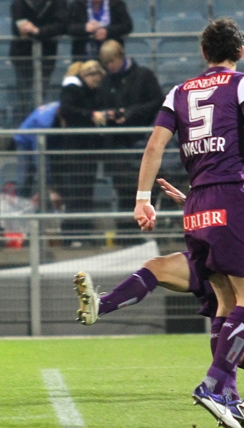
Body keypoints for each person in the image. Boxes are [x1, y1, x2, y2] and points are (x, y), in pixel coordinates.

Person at [133, 18, 244, 428]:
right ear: (240, 51)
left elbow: (155, 146)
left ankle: (229, 396)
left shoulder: (178, 92)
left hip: (195, 204)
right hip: (232, 195)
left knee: (227, 306)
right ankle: (213, 385)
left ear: (203, 54)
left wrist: (142, 200)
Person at [73, 174, 244, 405]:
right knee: (157, 268)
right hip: (211, 252)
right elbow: (222, 211)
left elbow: (240, 218)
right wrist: (189, 202)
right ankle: (100, 306)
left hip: (234, 261)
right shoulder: (228, 166)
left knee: (227, 351)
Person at [98, 39, 164, 236]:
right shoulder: (106, 80)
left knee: (142, 190)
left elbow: (157, 102)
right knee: (123, 191)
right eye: (106, 64)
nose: (110, 67)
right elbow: (101, 103)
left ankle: (144, 234)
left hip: (141, 141)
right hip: (117, 147)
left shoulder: (143, 76)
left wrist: (131, 113)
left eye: (112, 62)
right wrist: (111, 114)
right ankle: (126, 236)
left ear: (120, 57)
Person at [57, 60, 107, 245]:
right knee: (75, 194)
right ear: (87, 76)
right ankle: (71, 235)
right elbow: (68, 110)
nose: (96, 84)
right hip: (75, 150)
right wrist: (90, 115)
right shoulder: (72, 89)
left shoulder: (92, 91)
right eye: (94, 80)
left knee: (86, 192)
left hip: (88, 151)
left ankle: (84, 233)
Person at [9, 0, 68, 122]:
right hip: (22, 53)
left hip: (47, 53)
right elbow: (17, 22)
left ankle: (39, 124)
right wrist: (24, 27)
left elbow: (61, 25)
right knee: (23, 93)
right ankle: (25, 127)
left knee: (42, 92)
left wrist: (38, 31)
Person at [67, 0, 133, 61]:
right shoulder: (76, 5)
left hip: (111, 57)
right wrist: (84, 28)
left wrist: (107, 31)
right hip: (83, 56)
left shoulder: (117, 4)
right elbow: (67, 27)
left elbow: (127, 26)